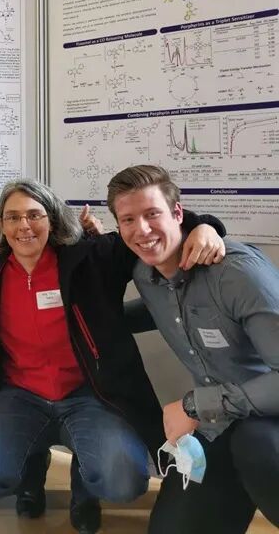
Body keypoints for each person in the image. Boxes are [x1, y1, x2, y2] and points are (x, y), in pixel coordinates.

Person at [0, 178, 225, 534]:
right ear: (1, 224)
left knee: (123, 482)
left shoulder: (90, 258)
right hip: (18, 394)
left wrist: (205, 225)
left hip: (88, 393)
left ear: (52, 219)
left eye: (35, 215)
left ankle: (84, 490)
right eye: (13, 217)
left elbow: (147, 232)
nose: (24, 226)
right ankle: (33, 469)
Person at [104, 164, 279, 534]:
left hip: (267, 420)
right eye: (128, 219)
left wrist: (193, 405)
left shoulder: (236, 274)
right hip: (219, 424)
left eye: (152, 214)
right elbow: (164, 309)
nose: (142, 230)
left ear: (178, 213)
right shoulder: (146, 275)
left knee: (255, 444)